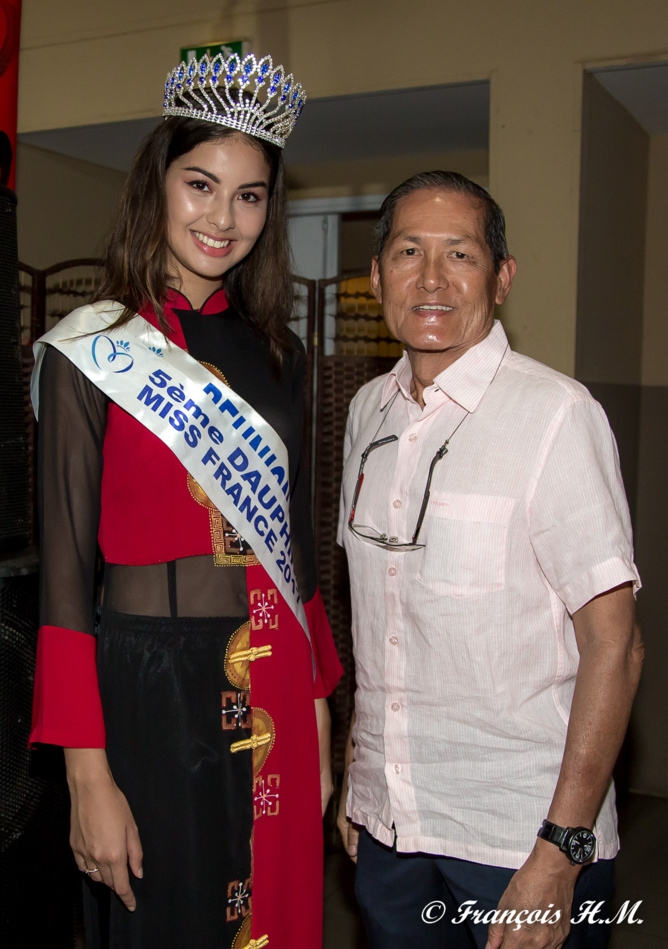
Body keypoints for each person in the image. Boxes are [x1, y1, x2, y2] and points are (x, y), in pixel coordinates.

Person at [30, 51, 342, 949]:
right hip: (145, 685)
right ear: (157, 184)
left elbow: (298, 548)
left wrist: (319, 721)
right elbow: (62, 576)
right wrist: (87, 775)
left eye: (250, 196)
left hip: (273, 674)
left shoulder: (280, 354)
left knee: (268, 921)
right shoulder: (93, 348)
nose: (223, 217)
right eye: (201, 183)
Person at [337, 171, 643, 949]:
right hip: (390, 826)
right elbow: (380, 615)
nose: (432, 278)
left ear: (500, 278)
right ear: (376, 278)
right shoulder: (366, 412)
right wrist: (359, 773)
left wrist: (560, 852)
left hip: (517, 841)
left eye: (460, 255)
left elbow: (616, 644)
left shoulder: (556, 415)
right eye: (408, 251)